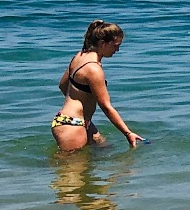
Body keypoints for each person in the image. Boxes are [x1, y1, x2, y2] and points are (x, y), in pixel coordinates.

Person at [51, 20, 143, 150]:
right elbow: (106, 106)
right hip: (73, 125)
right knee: (71, 168)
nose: (118, 50)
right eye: (115, 45)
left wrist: (80, 102)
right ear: (102, 43)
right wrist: (127, 133)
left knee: (104, 149)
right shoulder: (93, 69)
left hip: (72, 120)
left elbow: (62, 85)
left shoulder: (79, 56)